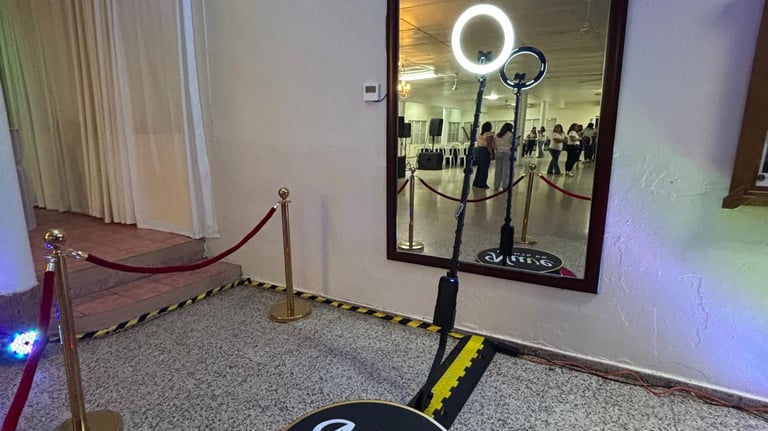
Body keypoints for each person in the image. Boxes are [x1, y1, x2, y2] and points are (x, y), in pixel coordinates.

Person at [473, 122, 494, 189]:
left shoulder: (480, 134)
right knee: (484, 168)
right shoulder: (489, 134)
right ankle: (482, 184)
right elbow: (489, 145)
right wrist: (491, 153)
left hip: (478, 150)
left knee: (480, 168)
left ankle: (476, 182)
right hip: (485, 151)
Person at [493, 123, 514, 190]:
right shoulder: (510, 135)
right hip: (506, 153)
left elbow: (495, 145)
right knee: (506, 170)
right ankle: (505, 185)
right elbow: (515, 144)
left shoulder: (498, 134)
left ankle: (496, 185)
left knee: (498, 170)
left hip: (498, 152)